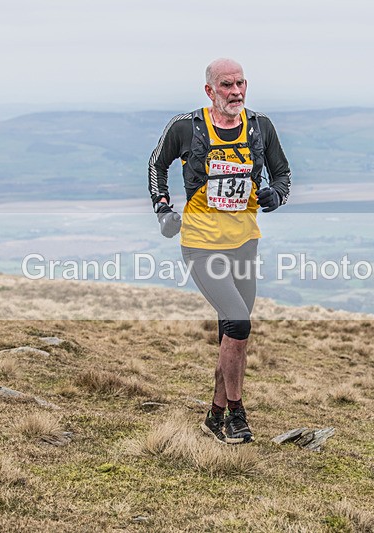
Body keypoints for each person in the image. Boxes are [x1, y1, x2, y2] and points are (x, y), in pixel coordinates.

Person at [147, 58, 291, 444]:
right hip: (201, 244)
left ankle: (214, 416)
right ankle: (238, 416)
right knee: (239, 324)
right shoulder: (186, 127)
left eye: (241, 83)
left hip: (245, 242)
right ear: (210, 91)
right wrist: (163, 208)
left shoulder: (260, 127)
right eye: (227, 85)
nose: (236, 92)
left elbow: (283, 176)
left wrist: (273, 196)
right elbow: (155, 165)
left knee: (234, 334)